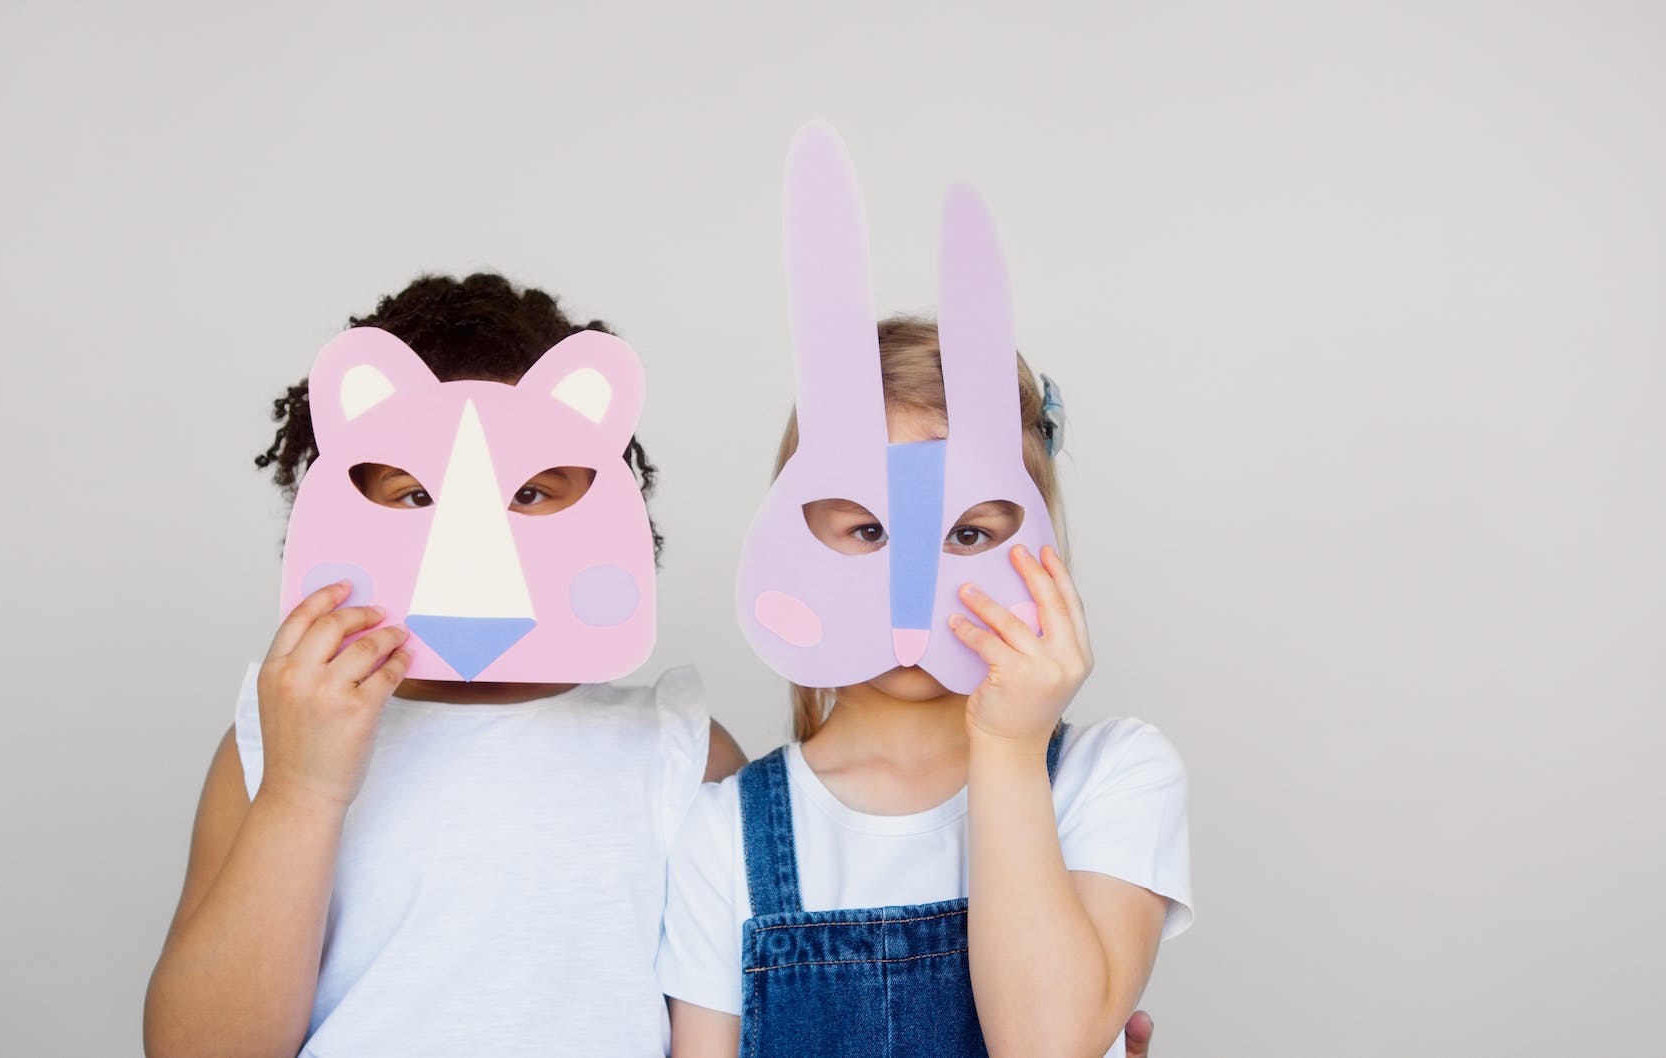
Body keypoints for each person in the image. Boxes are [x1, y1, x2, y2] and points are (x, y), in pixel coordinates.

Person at [144, 273, 747, 1058]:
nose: (471, 546)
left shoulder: (678, 750)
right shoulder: (276, 742)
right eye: (410, 495)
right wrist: (303, 790)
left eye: (532, 492)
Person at [659, 318, 1194, 1057]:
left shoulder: (1114, 775)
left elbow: (1047, 1048)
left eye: (968, 536)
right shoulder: (719, 835)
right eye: (868, 531)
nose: (914, 592)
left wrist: (1009, 744)